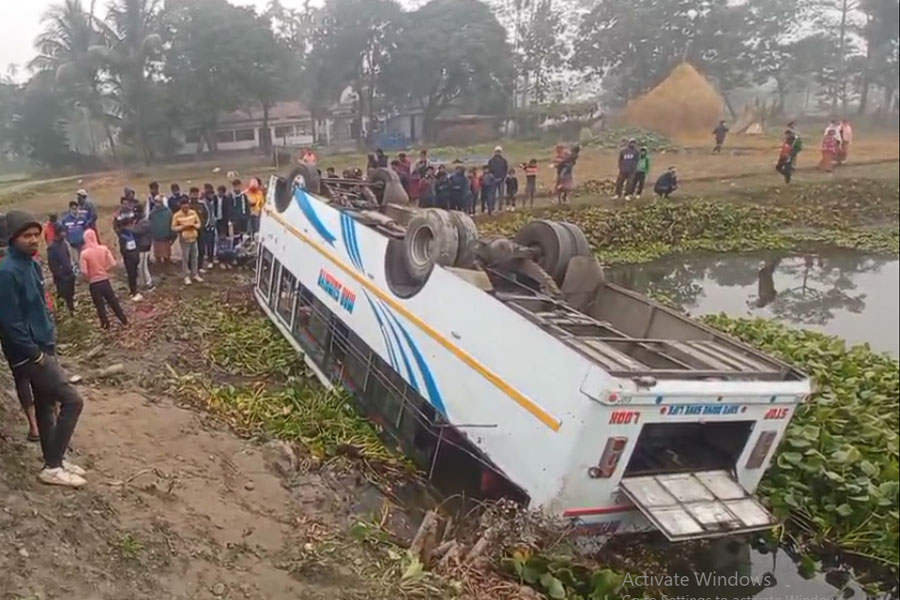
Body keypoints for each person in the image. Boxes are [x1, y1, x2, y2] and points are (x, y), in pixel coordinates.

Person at [0, 210, 87, 487]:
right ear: (13, 239)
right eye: (27, 236)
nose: (34, 239)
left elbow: (40, 304)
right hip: (29, 354)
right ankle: (53, 463)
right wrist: (34, 353)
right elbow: (9, 322)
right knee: (73, 400)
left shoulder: (32, 265)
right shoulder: (6, 272)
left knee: (47, 405)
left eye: (36, 234)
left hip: (43, 345)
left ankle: (54, 463)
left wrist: (50, 333)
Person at [79, 228, 129, 330]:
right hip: (105, 280)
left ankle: (105, 325)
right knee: (113, 301)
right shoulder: (104, 249)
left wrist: (88, 278)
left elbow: (84, 271)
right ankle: (123, 320)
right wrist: (105, 270)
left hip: (94, 282)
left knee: (99, 305)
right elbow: (113, 263)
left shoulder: (84, 254)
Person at [112, 193, 143, 301]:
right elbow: (115, 227)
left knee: (135, 262)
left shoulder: (132, 213)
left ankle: (134, 286)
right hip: (125, 242)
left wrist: (131, 231)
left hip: (134, 241)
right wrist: (122, 234)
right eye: (123, 203)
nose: (125, 205)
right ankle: (133, 290)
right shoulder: (118, 215)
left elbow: (137, 225)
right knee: (130, 266)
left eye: (127, 203)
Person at [172, 196, 202, 285]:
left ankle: (195, 274)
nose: (186, 208)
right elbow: (173, 227)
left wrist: (194, 226)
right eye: (184, 206)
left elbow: (199, 223)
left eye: (187, 206)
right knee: (185, 258)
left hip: (194, 237)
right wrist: (183, 227)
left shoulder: (193, 213)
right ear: (181, 206)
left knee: (194, 257)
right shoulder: (176, 215)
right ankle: (186, 276)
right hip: (184, 239)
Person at [46, 223, 76, 314]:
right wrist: (60, 276)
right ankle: (61, 314)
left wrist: (71, 272)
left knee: (70, 296)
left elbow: (68, 258)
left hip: (69, 275)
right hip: (61, 278)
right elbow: (52, 265)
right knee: (63, 296)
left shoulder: (64, 245)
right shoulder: (52, 248)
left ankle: (72, 313)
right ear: (58, 233)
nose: (64, 234)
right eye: (62, 232)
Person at [60, 201, 88, 270]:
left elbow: (86, 229)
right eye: (73, 209)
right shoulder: (65, 220)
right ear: (70, 209)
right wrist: (67, 241)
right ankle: (78, 273)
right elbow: (63, 231)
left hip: (82, 243)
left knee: (83, 259)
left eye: (76, 208)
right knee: (75, 261)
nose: (75, 210)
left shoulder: (82, 219)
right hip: (72, 244)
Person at [149, 193, 173, 263]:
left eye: (159, 202)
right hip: (156, 237)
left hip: (166, 237)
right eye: (156, 202)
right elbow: (150, 223)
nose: (157, 204)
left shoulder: (168, 212)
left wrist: (171, 234)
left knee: (167, 254)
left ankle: (167, 267)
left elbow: (170, 223)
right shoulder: (152, 213)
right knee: (157, 255)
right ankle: (159, 268)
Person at [202, 183, 219, 269]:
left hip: (212, 225)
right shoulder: (203, 202)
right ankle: (205, 259)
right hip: (205, 225)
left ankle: (211, 259)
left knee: (211, 243)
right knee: (204, 243)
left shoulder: (214, 201)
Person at [488, 146, 509, 211]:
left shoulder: (504, 161)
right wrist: (493, 177)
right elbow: (489, 170)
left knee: (501, 195)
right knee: (492, 195)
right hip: (493, 179)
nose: (498, 153)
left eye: (499, 152)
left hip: (501, 180)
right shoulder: (491, 161)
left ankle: (500, 207)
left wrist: (502, 177)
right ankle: (492, 207)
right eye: (497, 152)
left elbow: (505, 170)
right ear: (495, 152)